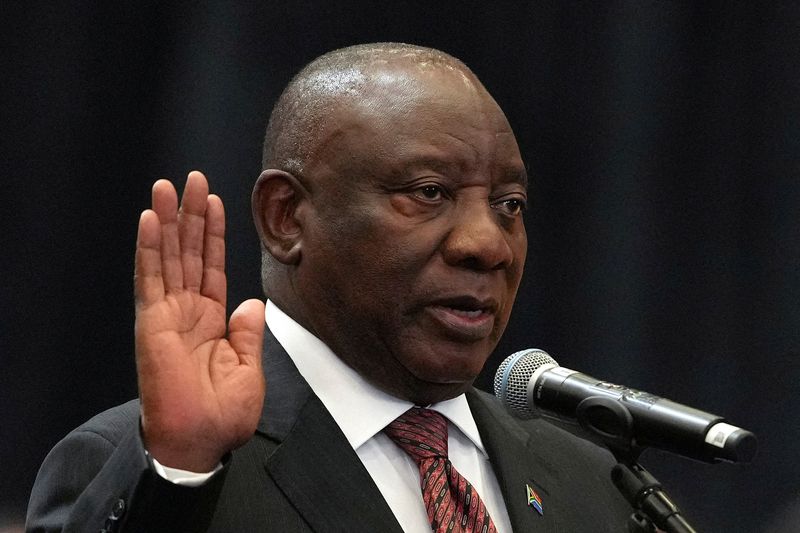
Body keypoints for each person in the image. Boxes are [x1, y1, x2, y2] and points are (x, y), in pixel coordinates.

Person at [27, 43, 632, 532]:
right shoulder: (154, 466)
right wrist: (176, 474)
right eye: (428, 192)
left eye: (510, 204)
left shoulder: (588, 482)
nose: (488, 244)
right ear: (287, 217)